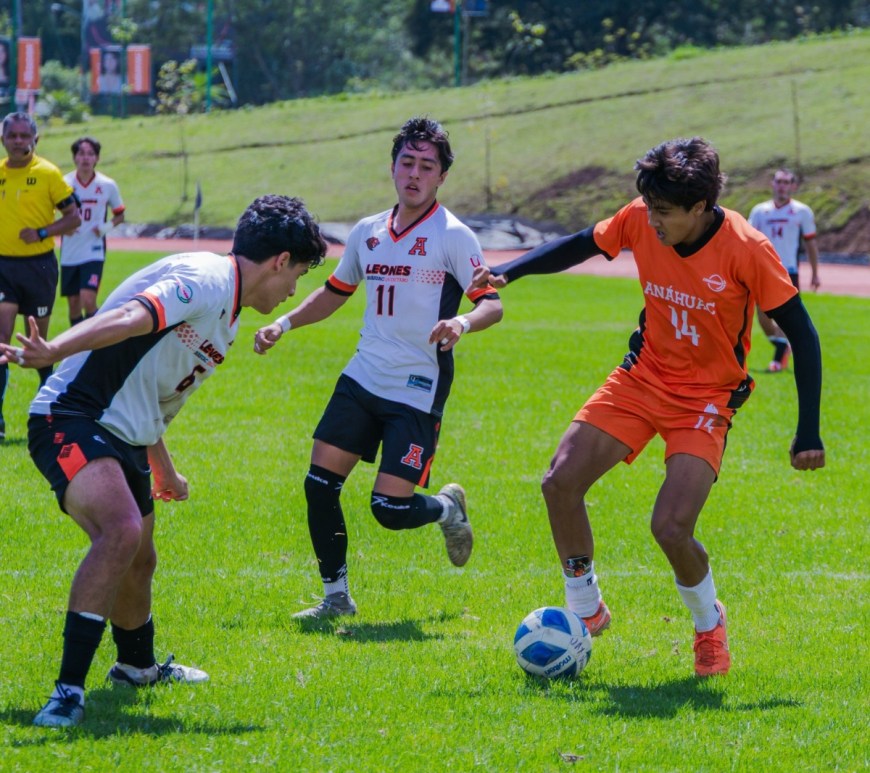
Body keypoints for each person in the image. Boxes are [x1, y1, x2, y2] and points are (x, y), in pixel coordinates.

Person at [471, 137, 825, 677]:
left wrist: (809, 432)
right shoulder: (642, 215)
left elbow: (803, 334)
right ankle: (586, 607)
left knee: (671, 528)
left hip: (706, 400)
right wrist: (510, 271)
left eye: (664, 212)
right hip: (642, 378)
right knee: (559, 483)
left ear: (700, 207)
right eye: (650, 207)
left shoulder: (748, 248)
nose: (651, 220)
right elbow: (582, 243)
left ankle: (709, 625)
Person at [0, 194, 327, 728]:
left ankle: (137, 668)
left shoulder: (227, 315)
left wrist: (163, 465)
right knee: (122, 531)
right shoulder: (206, 279)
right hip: (74, 415)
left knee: (141, 558)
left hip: (125, 432)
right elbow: (132, 317)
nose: (294, 289)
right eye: (299, 275)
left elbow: (150, 386)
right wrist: (55, 349)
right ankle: (66, 692)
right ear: (280, 261)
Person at [254, 116, 503, 619]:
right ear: (392, 167)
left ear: (441, 177)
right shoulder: (367, 232)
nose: (414, 174)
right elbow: (335, 293)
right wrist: (284, 323)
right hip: (364, 375)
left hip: (417, 386)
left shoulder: (454, 236)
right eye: (407, 162)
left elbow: (491, 305)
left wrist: (461, 322)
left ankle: (447, 508)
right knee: (319, 485)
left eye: (426, 166)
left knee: (388, 510)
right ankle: (336, 599)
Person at [0, 111, 81, 442]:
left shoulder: (48, 173)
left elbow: (73, 218)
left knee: (38, 345)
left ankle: (49, 414)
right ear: (3, 139)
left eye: (24, 135)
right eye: (12, 135)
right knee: (2, 341)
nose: (18, 141)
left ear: (35, 139)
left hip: (39, 268)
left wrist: (43, 231)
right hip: (3, 267)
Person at [748, 168, 821, 372]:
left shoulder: (802, 211)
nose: (782, 186)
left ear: (793, 186)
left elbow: (810, 244)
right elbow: (747, 240)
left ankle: (778, 359)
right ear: (772, 184)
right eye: (779, 182)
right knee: (763, 319)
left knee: (783, 315)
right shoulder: (759, 211)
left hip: (787, 271)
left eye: (786, 182)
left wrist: (815, 272)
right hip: (763, 269)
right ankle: (784, 346)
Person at [61, 136, 126, 327]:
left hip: (93, 249)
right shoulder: (64, 183)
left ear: (97, 158)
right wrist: (63, 226)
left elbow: (120, 214)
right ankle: (78, 344)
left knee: (88, 299)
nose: (86, 158)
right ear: (74, 157)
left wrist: (104, 228)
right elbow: (48, 210)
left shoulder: (107, 185)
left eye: (90, 154)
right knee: (74, 304)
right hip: (70, 251)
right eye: (81, 153)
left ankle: (95, 341)